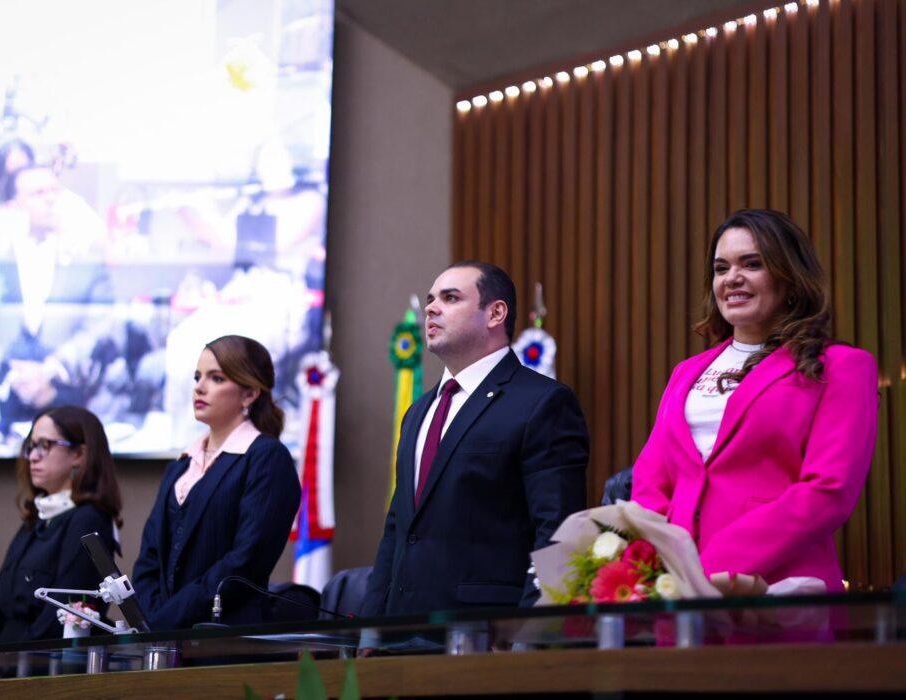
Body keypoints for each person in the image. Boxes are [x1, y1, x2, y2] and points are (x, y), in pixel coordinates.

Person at [631, 209, 879, 594]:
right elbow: (650, 481)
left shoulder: (844, 367)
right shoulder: (686, 372)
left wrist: (706, 570)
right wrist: (661, 568)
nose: (732, 278)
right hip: (677, 591)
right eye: (721, 268)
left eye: (752, 264)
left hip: (778, 586)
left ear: (790, 278)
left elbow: (828, 490)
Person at [362, 261, 590, 617]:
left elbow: (559, 531)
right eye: (430, 299)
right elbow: (397, 529)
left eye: (450, 298)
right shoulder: (418, 412)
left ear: (495, 313)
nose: (431, 308)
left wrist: (530, 629)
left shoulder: (542, 403)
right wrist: (370, 627)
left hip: (489, 631)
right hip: (402, 630)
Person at [132, 335, 301, 629]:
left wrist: (165, 619)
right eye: (197, 377)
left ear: (249, 394)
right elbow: (149, 558)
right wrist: (151, 620)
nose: (199, 387)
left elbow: (245, 562)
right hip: (164, 639)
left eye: (216, 378)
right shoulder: (181, 466)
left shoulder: (267, 458)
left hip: (226, 637)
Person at [0, 406, 122, 643]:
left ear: (79, 454)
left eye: (45, 445)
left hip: (39, 660)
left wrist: (14, 658)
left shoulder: (88, 520)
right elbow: (0, 604)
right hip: (4, 658)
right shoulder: (38, 516)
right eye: (31, 446)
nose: (32, 456)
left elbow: (63, 613)